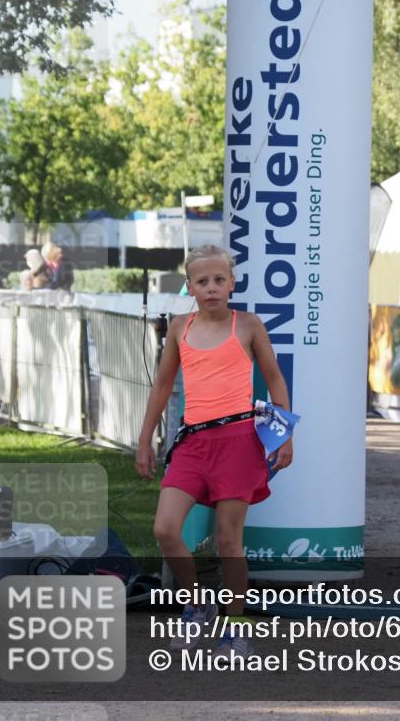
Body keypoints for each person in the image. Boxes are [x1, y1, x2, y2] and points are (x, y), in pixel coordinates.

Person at [135, 244, 294, 656]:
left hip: (238, 443)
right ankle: (196, 605)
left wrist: (285, 434)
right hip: (192, 442)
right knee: (165, 529)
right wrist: (145, 440)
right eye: (202, 281)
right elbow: (162, 385)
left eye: (219, 280)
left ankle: (236, 630)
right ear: (189, 286)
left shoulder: (249, 325)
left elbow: (275, 379)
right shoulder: (179, 328)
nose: (211, 288)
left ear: (232, 283)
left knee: (228, 540)